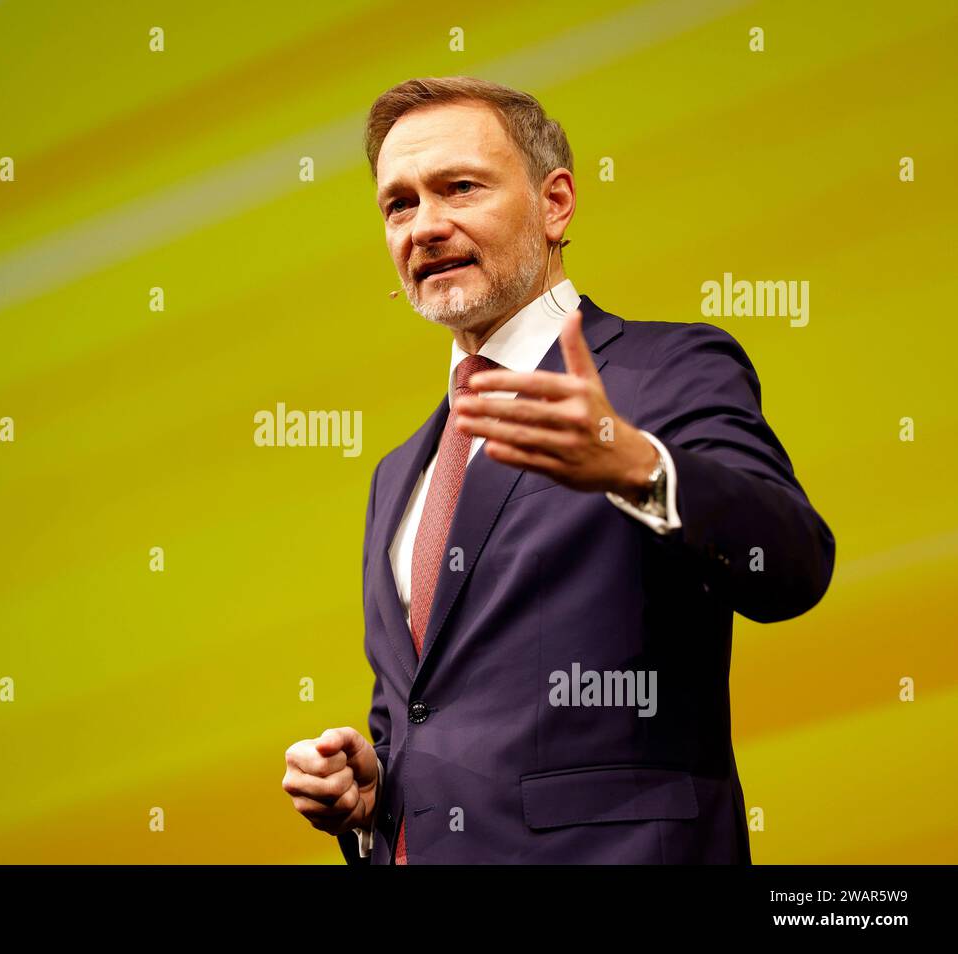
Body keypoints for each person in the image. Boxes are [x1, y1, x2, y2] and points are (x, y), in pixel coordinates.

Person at [281, 77, 834, 864]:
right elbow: (422, 715)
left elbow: (793, 566)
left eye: (459, 187)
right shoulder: (398, 472)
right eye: (399, 205)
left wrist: (637, 465)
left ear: (557, 204)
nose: (426, 226)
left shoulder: (662, 371)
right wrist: (377, 798)